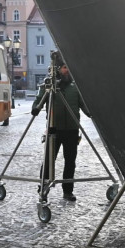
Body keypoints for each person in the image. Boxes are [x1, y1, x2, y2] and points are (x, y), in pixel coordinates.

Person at [32, 61, 90, 202]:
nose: (67, 70)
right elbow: (39, 99)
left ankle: (68, 191)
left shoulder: (75, 86)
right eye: (64, 67)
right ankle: (43, 188)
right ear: (58, 69)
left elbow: (84, 104)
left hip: (72, 129)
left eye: (68, 67)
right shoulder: (49, 85)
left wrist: (91, 113)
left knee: (70, 161)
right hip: (54, 129)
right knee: (48, 160)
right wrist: (36, 108)